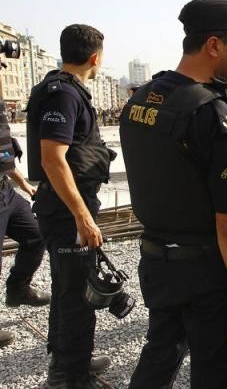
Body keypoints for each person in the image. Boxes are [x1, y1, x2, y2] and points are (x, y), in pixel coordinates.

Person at [120, 0, 227, 388]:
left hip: (156, 262)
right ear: (214, 45)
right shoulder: (215, 114)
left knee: (160, 356)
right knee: (215, 372)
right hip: (205, 273)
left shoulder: (140, 99)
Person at [26, 24, 114, 387]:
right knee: (78, 294)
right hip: (66, 211)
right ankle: (70, 376)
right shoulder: (64, 94)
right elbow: (53, 160)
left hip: (63, 206)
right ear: (95, 57)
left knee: (68, 289)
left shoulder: (58, 88)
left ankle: (67, 362)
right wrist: (83, 218)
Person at [0, 100, 50, 349]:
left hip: (5, 191)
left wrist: (23, 184)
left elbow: (3, 152)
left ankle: (18, 289)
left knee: (36, 236)